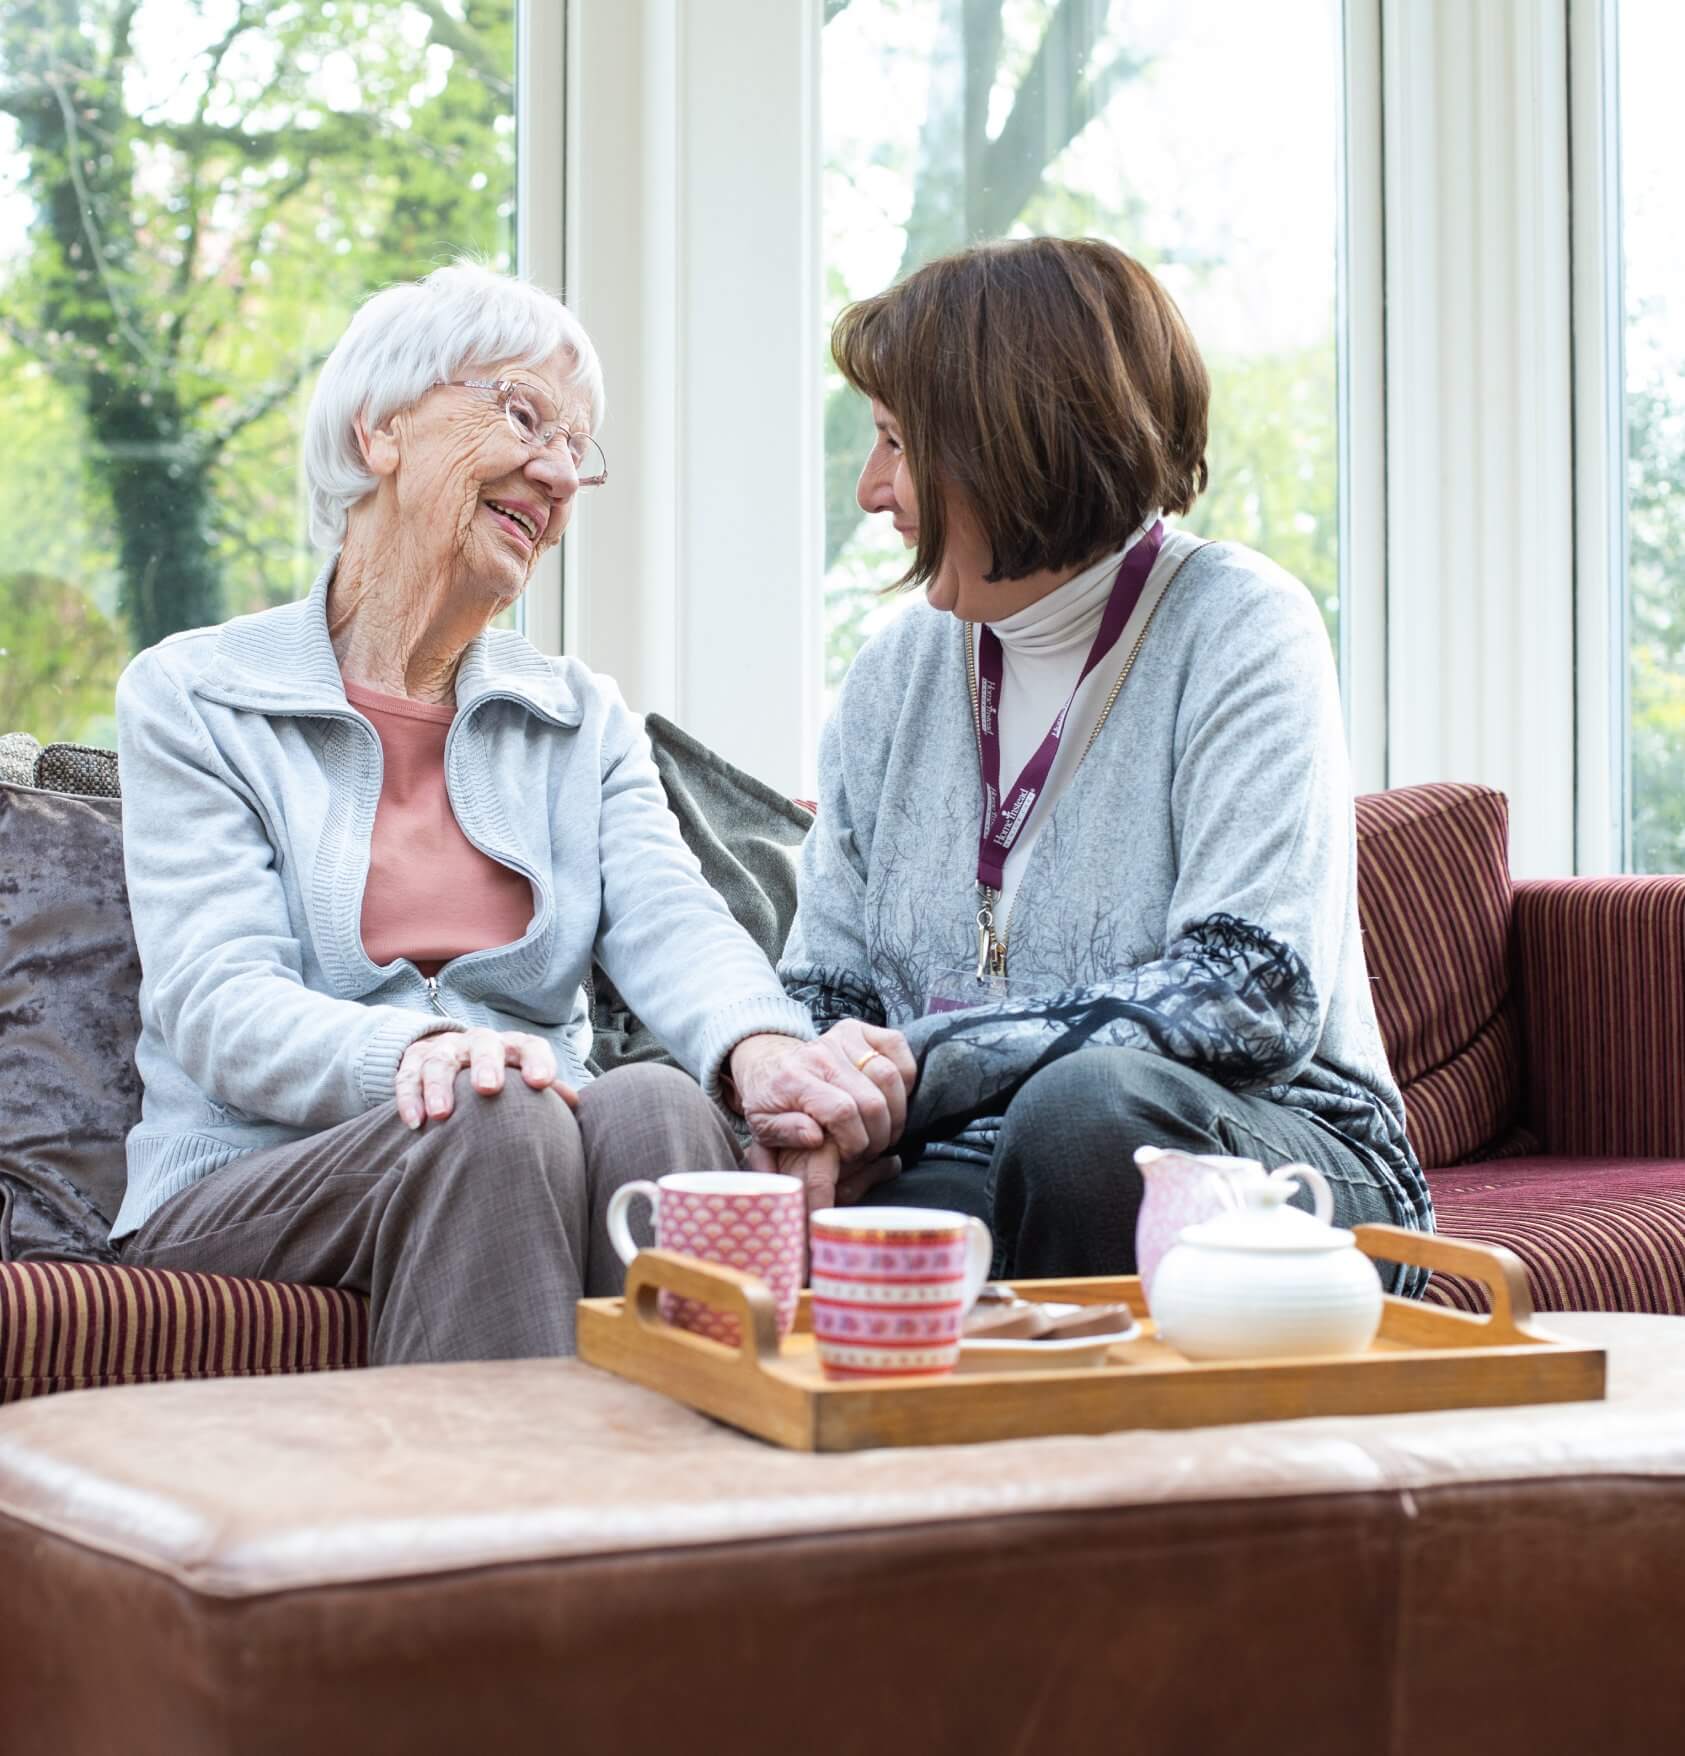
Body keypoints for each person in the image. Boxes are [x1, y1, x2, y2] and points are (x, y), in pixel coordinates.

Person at [113, 262, 914, 1359]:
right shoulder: (197, 696)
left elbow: (671, 919)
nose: (558, 472)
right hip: (257, 1175)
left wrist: (765, 1051)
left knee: (658, 1108)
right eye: (522, 414)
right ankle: (502, 1521)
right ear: (377, 432)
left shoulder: (577, 716)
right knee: (488, 1109)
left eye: (576, 449)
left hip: (519, 1129)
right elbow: (217, 999)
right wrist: (420, 1054)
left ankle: (699, 1519)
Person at [777, 237, 1434, 1294]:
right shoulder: (894, 671)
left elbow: (1249, 988)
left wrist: (927, 1064)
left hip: (1276, 1165)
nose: (870, 489)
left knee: (1087, 1118)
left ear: (1010, 441)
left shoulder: (1238, 623)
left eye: (898, 443)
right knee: (849, 1220)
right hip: (972, 1155)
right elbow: (822, 984)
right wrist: (811, 1102)